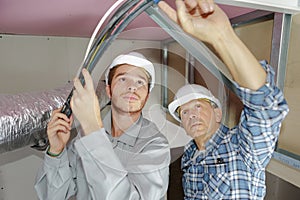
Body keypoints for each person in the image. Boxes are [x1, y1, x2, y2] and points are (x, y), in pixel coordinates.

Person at [159, 0, 289, 199]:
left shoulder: (242, 146)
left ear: (218, 113)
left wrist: (223, 37)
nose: (192, 115)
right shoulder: (188, 158)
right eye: (184, 112)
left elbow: (265, 106)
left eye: (198, 106)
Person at [34, 52, 170, 200]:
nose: (132, 87)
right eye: (123, 79)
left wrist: (92, 128)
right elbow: (53, 196)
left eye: (140, 82)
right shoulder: (83, 138)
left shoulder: (155, 145)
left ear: (147, 95)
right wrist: (56, 152)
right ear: (109, 91)